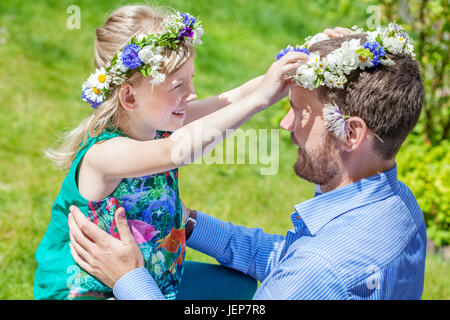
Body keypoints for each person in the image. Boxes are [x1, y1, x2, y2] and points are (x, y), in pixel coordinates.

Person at [68, 24, 427, 300]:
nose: (285, 124)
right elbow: (288, 259)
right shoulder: (400, 208)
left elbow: (304, 271)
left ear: (352, 134)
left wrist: (128, 278)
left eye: (300, 112)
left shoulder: (318, 271)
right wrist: (189, 224)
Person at [34, 4, 305, 300]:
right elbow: (177, 151)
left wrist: (300, 62)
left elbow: (231, 99)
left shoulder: (158, 123)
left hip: (152, 275)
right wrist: (259, 102)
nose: (192, 94)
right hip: (89, 292)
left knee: (242, 288)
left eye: (191, 79)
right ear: (129, 96)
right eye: (178, 86)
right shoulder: (105, 154)